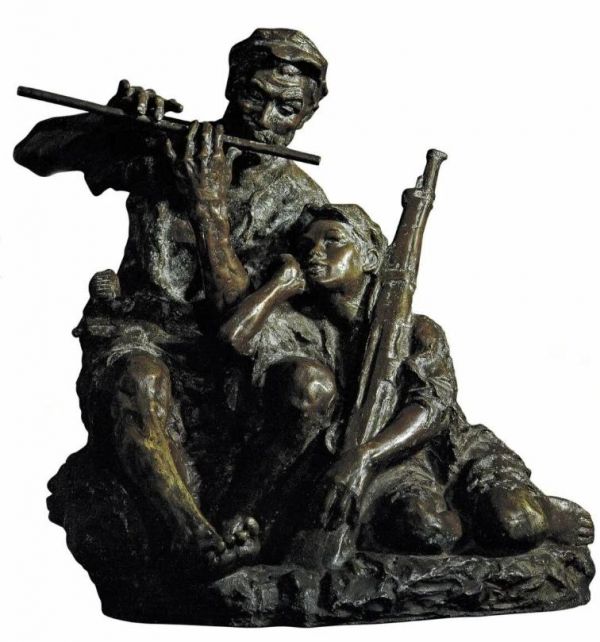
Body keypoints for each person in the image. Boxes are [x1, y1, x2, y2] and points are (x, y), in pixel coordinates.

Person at [14, 29, 331, 567]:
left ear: (306, 116)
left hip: (235, 346)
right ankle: (189, 533)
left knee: (309, 388)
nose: (264, 118)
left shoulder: (301, 200)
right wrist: (110, 125)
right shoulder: (167, 148)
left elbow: (245, 313)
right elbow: (34, 152)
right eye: (254, 96)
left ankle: (243, 517)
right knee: (138, 378)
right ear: (231, 86)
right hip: (143, 332)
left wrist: (208, 206)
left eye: (286, 108)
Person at [219, 202, 594, 564]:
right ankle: (455, 519)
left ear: (369, 258)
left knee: (517, 524)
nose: (315, 252)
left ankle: (542, 512)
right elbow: (231, 341)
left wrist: (364, 458)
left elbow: (431, 409)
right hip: (386, 471)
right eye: (306, 246)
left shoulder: (417, 330)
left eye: (333, 241)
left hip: (444, 452)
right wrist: (278, 286)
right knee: (427, 531)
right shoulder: (305, 331)